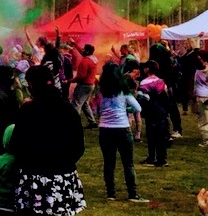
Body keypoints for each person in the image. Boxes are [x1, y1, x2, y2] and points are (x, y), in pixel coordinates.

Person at [9, 65, 86, 215]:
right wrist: (64, 164)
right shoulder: (68, 110)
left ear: (31, 85)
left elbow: (15, 145)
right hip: (62, 177)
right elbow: (78, 147)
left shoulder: (27, 111)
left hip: (33, 179)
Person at [97, 62, 148, 202]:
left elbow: (98, 110)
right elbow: (138, 108)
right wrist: (125, 109)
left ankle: (111, 193)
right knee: (128, 163)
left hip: (105, 129)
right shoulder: (124, 92)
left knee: (109, 163)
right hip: (122, 128)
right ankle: (132, 194)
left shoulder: (101, 92)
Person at [138, 61, 170, 167]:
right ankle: (162, 158)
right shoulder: (162, 82)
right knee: (161, 136)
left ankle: (152, 157)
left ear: (147, 69)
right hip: (162, 112)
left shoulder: (144, 83)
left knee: (151, 135)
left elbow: (142, 98)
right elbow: (166, 97)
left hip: (151, 112)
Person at [68, 44, 99, 129]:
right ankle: (92, 122)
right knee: (85, 104)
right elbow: (82, 52)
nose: (82, 50)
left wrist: (69, 81)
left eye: (84, 49)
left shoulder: (85, 61)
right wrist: (74, 43)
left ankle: (74, 124)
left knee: (76, 104)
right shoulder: (93, 59)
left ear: (87, 51)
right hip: (91, 85)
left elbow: (81, 76)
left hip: (84, 85)